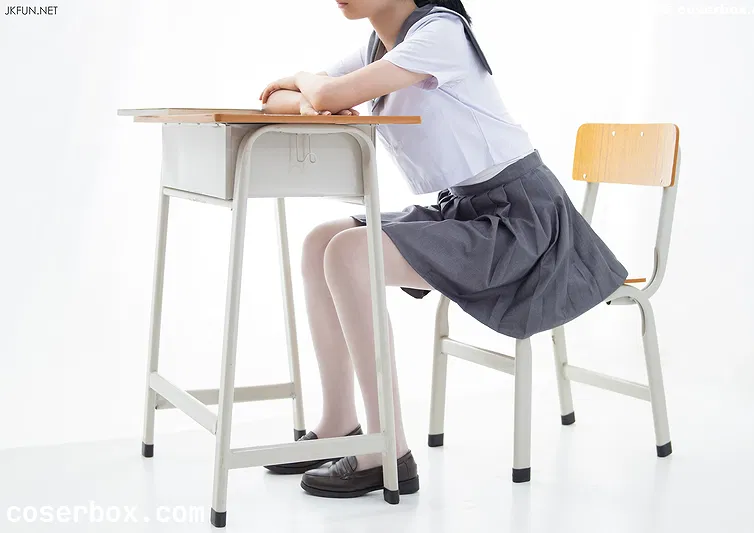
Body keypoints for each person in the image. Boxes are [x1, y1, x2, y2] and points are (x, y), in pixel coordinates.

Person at [258, 0, 629, 499]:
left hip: (523, 222)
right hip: (466, 211)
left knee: (348, 254)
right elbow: (276, 102)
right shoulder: (379, 48)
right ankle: (338, 424)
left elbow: (321, 93)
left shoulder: (442, 33)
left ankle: (387, 451)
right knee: (319, 242)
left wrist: (309, 85)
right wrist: (313, 97)